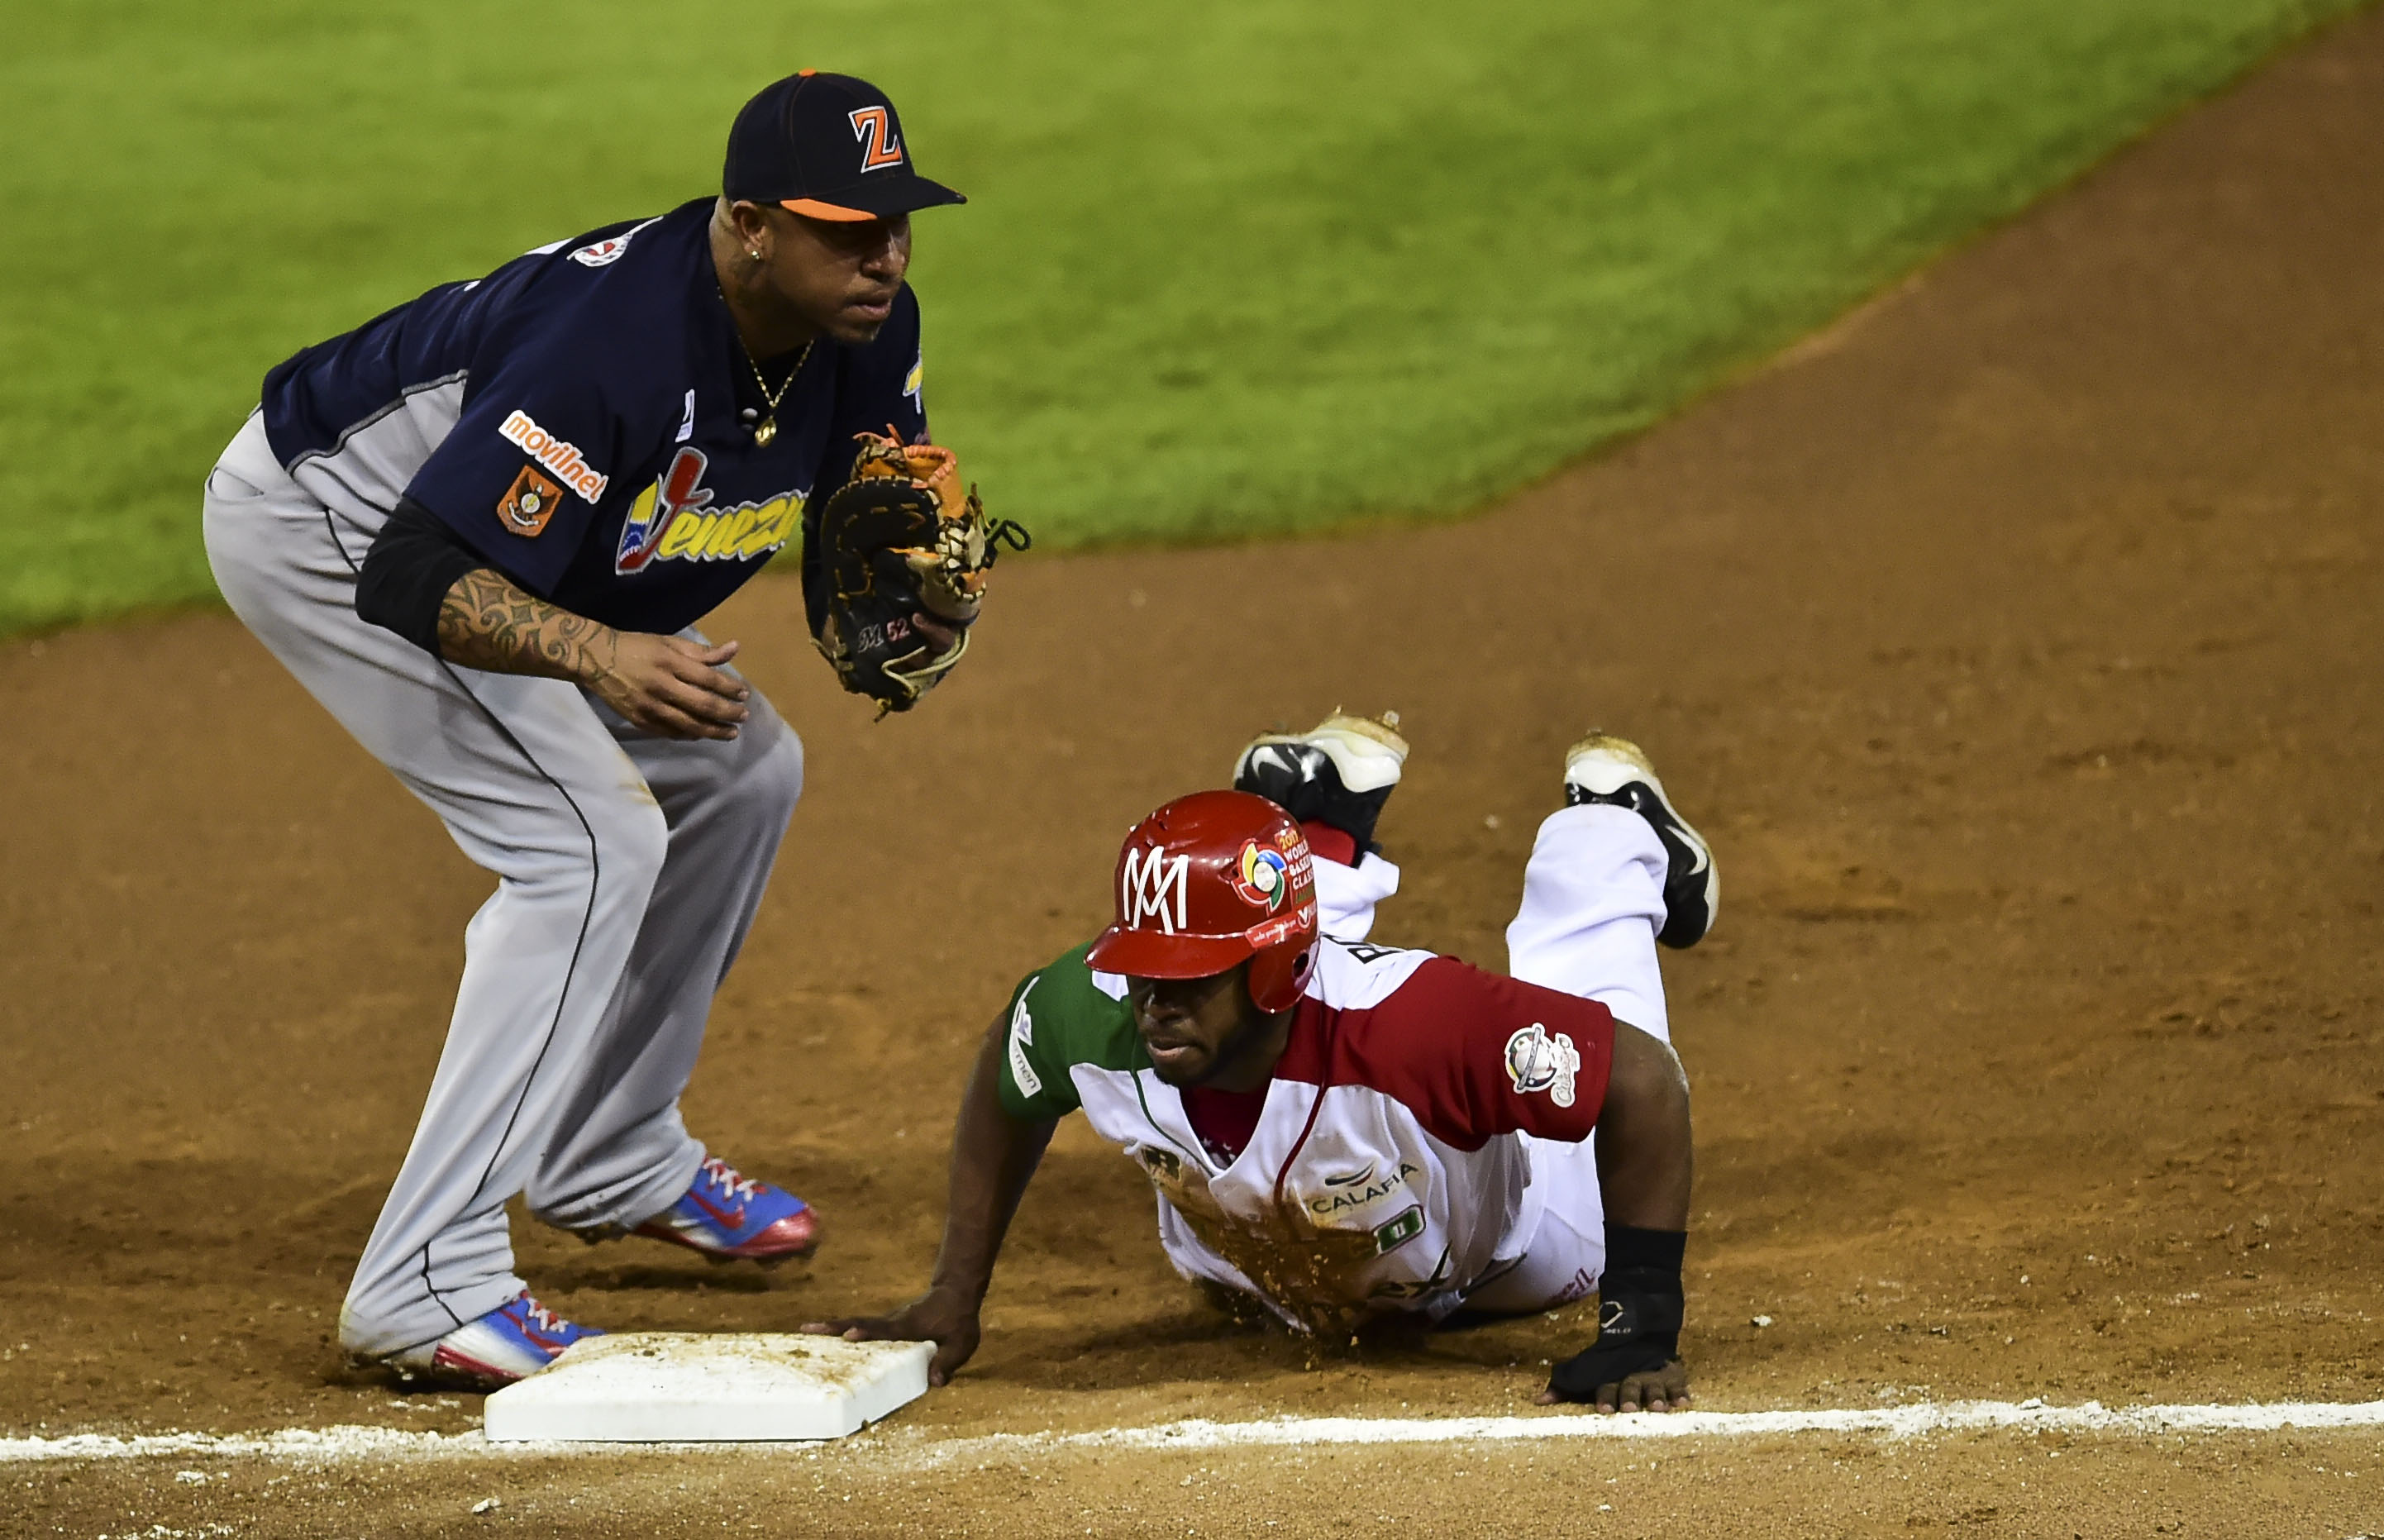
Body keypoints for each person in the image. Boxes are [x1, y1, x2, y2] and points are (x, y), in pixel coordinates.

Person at [202, 70, 977, 1388]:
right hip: (335, 529)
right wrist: (601, 653)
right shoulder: (611, 342)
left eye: (894, 221)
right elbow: (413, 570)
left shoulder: (868, 330)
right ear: (747, 226)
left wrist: (908, 580)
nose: (882, 254)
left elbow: (854, 507)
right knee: (586, 843)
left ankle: (608, 1144)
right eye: (844, 227)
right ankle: (423, 1281)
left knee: (746, 769)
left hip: (509, 562)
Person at [809, 713, 1719, 1412]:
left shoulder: (1416, 1025)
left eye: (1190, 977)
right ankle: (1317, 829)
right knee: (1238, 955)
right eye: (1143, 969)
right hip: (1255, 1262)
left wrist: (1640, 1325)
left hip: (1498, 1257)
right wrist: (951, 1296)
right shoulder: (1087, 1009)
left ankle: (1610, 828)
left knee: (1593, 987)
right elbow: (1009, 1074)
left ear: (1277, 967)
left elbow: (1639, 1082)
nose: (1155, 1004)